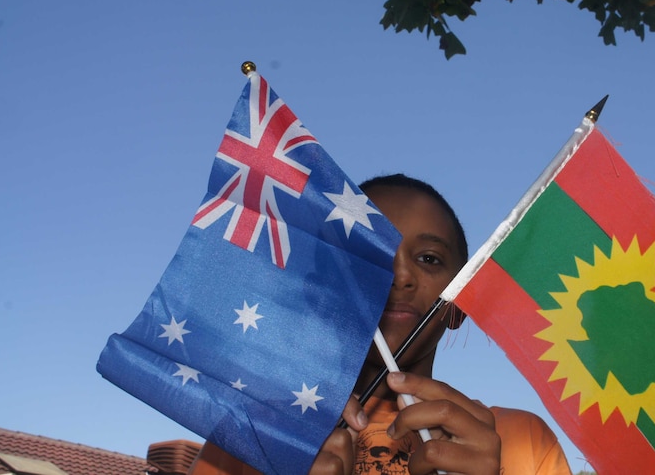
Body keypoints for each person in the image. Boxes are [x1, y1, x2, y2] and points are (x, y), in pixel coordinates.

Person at [188, 174, 572, 475]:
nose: (398, 274)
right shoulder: (250, 439)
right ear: (325, 295)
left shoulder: (523, 441)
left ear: (459, 307)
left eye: (429, 259)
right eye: (369, 254)